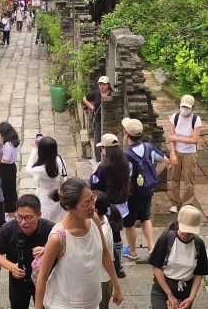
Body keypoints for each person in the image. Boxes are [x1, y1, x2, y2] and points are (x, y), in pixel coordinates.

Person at [34, 177, 124, 309]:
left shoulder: (94, 220)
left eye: (92, 199)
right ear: (69, 207)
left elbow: (105, 253)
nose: (93, 207)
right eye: (86, 203)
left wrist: (117, 286)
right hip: (64, 304)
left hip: (92, 301)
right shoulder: (59, 237)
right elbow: (42, 277)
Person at [0, 194, 55, 309]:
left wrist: (49, 250)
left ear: (39, 215)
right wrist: (11, 267)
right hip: (18, 283)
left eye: (28, 218)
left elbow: (65, 250)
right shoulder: (8, 229)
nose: (23, 222)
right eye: (19, 217)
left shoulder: (51, 229)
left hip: (46, 281)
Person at [121, 118, 169, 260]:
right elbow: (164, 160)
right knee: (145, 217)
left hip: (132, 193)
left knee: (129, 223)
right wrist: (153, 175)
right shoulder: (149, 147)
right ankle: (151, 247)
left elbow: (125, 177)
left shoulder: (126, 156)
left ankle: (133, 251)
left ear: (126, 135)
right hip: (147, 190)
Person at [148, 206, 208, 309]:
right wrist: (170, 295)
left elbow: (199, 273)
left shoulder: (198, 244)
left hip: (185, 291)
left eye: (190, 232)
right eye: (184, 231)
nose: (186, 234)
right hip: (163, 289)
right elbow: (156, 267)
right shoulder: (166, 238)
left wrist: (191, 297)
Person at [90, 133, 130, 278]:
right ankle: (119, 265)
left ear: (105, 149)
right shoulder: (124, 162)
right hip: (122, 206)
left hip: (108, 206)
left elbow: (94, 185)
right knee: (117, 233)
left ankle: (111, 264)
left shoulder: (104, 166)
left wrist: (94, 172)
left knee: (107, 234)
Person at [167, 95, 202, 213]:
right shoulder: (175, 117)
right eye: (183, 107)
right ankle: (175, 203)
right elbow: (171, 138)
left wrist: (177, 138)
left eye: (187, 107)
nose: (184, 109)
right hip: (176, 151)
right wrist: (172, 154)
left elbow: (194, 140)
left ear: (192, 108)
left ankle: (187, 203)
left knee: (189, 180)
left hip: (189, 153)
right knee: (174, 178)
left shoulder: (196, 120)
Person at [25, 136, 68, 223]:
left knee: (47, 219)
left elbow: (27, 169)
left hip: (45, 197)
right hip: (57, 194)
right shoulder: (60, 159)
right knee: (58, 217)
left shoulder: (41, 169)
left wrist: (34, 150)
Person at [93, 191, 124, 309]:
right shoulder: (102, 220)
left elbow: (105, 258)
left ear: (95, 211)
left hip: (101, 279)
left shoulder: (103, 233)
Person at [82, 76, 114, 162]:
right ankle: (99, 159)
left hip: (108, 121)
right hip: (97, 120)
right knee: (98, 139)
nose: (102, 86)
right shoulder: (96, 93)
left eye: (104, 84)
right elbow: (85, 99)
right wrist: (93, 108)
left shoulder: (112, 94)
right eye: (100, 84)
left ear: (108, 85)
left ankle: (108, 157)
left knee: (108, 139)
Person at [0, 122, 20, 221]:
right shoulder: (13, 142)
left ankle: (11, 213)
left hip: (6, 169)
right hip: (11, 168)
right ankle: (14, 210)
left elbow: (6, 159)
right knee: (12, 189)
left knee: (7, 190)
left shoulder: (8, 144)